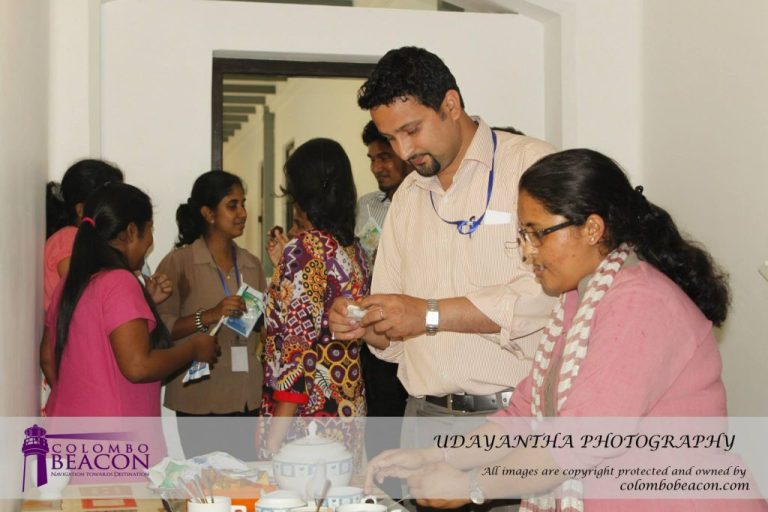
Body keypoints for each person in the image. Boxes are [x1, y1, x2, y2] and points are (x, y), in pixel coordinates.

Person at [365, 149, 768, 511]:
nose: (528, 251)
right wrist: (437, 457)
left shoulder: (640, 303)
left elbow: (579, 443)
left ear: (592, 229)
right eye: (523, 235)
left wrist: (471, 485)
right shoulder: (579, 300)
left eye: (537, 233)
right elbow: (523, 415)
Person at [329, 46, 557, 420]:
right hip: (423, 416)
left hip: (514, 418)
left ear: (450, 105)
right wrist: (365, 324)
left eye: (411, 130)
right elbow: (394, 339)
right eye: (391, 138)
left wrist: (430, 314)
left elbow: (547, 297)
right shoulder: (407, 197)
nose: (404, 151)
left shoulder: (531, 166)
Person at [39, 182, 218, 417]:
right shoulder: (119, 281)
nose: (150, 241)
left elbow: (48, 358)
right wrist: (194, 349)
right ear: (132, 231)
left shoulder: (69, 283)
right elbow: (138, 366)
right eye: (150, 229)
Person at [260, 138, 371, 459]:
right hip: (347, 408)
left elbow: (297, 351)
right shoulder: (354, 251)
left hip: (305, 419)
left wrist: (274, 438)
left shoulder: (306, 249)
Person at [156, 170, 267, 458]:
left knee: (246, 479)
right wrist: (208, 315)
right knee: (207, 482)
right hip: (200, 396)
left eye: (243, 204)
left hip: (245, 395)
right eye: (232, 205)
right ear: (208, 214)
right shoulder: (179, 263)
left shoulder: (252, 264)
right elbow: (161, 329)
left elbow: (261, 327)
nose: (243, 213)